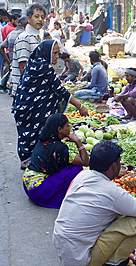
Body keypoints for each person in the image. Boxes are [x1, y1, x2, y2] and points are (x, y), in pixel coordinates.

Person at [12, 39, 88, 170]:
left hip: (25, 107)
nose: (57, 57)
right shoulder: (44, 67)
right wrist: (80, 106)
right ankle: (31, 162)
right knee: (34, 133)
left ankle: (28, 160)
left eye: (58, 53)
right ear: (46, 52)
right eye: (55, 53)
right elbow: (60, 89)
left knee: (30, 134)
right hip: (31, 109)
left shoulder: (34, 63)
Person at [23, 113, 89, 208]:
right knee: (76, 169)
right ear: (60, 129)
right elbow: (85, 162)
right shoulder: (59, 149)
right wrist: (78, 142)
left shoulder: (43, 140)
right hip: (38, 191)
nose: (70, 127)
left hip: (27, 184)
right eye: (67, 125)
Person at [11, 4, 46, 95]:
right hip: (26, 92)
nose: (40, 20)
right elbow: (23, 67)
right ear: (28, 19)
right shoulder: (24, 38)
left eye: (42, 17)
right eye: (36, 16)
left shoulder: (37, 37)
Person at [0, 16, 27, 81]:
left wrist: (9, 62)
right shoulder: (25, 34)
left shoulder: (11, 34)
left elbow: (1, 47)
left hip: (13, 67)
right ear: (26, 24)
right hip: (24, 68)